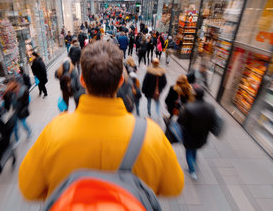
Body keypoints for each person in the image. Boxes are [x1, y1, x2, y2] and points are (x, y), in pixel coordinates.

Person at [19, 41, 184, 200]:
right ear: (121, 81)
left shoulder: (54, 132)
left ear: (83, 81)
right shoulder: (152, 135)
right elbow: (174, 187)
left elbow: (29, 189)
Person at [177, 85, 219, 180]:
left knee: (189, 151)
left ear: (194, 95)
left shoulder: (188, 107)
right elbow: (213, 123)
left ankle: (192, 171)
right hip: (202, 135)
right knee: (195, 149)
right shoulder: (211, 107)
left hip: (189, 135)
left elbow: (180, 121)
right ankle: (194, 163)